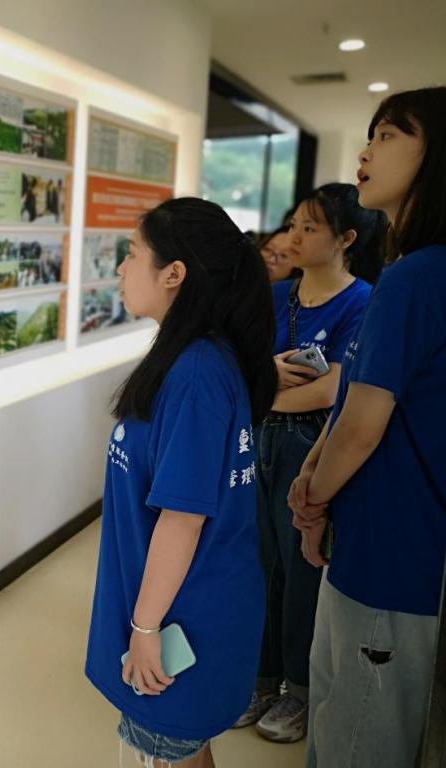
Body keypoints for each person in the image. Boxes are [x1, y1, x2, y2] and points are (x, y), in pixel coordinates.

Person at [85, 198, 277, 767]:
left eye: (132, 253)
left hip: (183, 615)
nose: (121, 267)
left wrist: (145, 628)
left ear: (173, 273)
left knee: (169, 752)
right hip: (186, 604)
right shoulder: (193, 360)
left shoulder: (195, 372)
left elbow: (183, 518)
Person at [289, 86, 446, 768]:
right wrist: (314, 474)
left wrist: (312, 498)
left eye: (389, 135)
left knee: (355, 740)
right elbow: (354, 397)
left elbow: (360, 428)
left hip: (392, 554)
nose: (367, 151)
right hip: (382, 541)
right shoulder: (409, 274)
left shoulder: (416, 279)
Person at [236, 183, 386, 742]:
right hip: (256, 442)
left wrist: (261, 391)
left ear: (345, 239)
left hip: (309, 444)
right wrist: (261, 385)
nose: (293, 236)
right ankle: (260, 679)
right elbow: (241, 365)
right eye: (294, 224)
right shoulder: (276, 296)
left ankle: (298, 689)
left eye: (309, 227)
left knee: (303, 571)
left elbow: (331, 392)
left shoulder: (364, 301)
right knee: (257, 563)